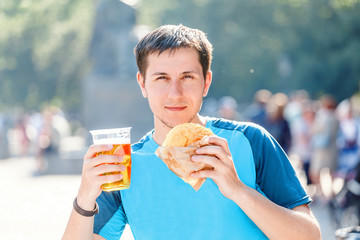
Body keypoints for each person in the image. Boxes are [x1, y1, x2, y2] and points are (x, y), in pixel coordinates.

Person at [62, 24, 321, 240]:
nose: (175, 93)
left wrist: (237, 190)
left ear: (206, 82)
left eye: (187, 77)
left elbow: (310, 236)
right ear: (142, 84)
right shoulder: (125, 164)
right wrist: (85, 198)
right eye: (161, 78)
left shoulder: (250, 141)